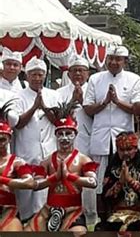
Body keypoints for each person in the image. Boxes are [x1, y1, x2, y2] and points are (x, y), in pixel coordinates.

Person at [25, 102, 99, 232]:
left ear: (75, 135)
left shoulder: (83, 160)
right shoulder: (47, 161)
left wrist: (69, 176)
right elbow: (35, 185)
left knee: (78, 232)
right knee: (27, 231)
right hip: (49, 209)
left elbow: (93, 182)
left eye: (68, 133)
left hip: (73, 210)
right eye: (61, 134)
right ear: (56, 136)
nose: (65, 138)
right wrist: (54, 178)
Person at [83, 45, 140, 199]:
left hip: (123, 137)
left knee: (124, 173)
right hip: (101, 135)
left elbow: (137, 109)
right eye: (111, 58)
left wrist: (116, 101)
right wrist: (104, 103)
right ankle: (99, 217)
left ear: (125, 61)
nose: (114, 62)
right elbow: (88, 108)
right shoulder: (95, 79)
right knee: (99, 178)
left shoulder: (133, 79)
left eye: (118, 59)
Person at [15, 57, 60, 220]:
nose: (36, 78)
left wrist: (45, 107)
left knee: (45, 195)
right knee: (25, 196)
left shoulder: (53, 95)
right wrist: (34, 107)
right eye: (33, 74)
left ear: (45, 76)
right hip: (26, 152)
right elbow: (18, 124)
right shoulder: (18, 96)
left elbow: (58, 122)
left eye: (40, 74)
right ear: (26, 76)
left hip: (47, 152)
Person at [56, 55, 97, 227]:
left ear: (87, 73)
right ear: (69, 73)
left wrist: (82, 100)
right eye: (74, 71)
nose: (78, 74)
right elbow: (57, 118)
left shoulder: (93, 90)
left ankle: (90, 217)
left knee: (87, 179)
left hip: (88, 140)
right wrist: (72, 100)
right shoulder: (59, 92)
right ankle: (64, 213)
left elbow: (99, 115)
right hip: (66, 143)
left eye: (81, 70)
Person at [102, 132, 140, 231]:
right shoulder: (111, 168)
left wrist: (130, 180)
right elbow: (105, 197)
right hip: (117, 214)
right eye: (122, 150)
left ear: (136, 149)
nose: (125, 153)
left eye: (129, 149)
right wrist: (120, 182)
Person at [0, 100, 34, 231]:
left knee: (13, 229)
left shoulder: (17, 162)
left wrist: (3, 180)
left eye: (2, 139)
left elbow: (30, 182)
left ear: (9, 139)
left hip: (8, 211)